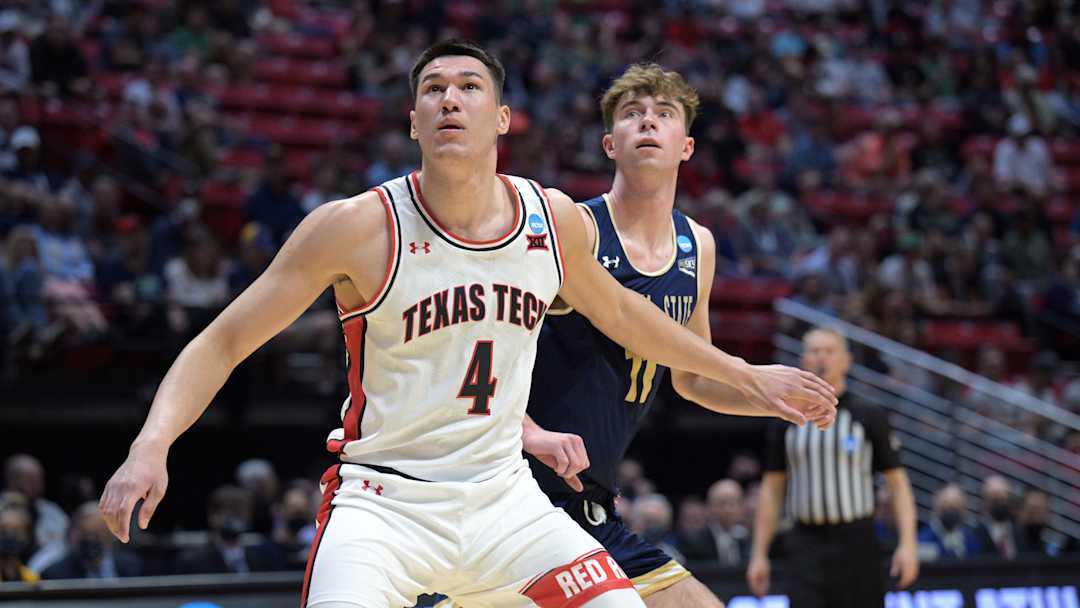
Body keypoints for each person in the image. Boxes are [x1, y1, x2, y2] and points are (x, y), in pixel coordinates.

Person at [99, 40, 836, 608]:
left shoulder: (550, 220)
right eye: (433, 89)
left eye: (469, 87)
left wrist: (745, 375)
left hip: (507, 500)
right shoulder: (356, 227)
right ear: (413, 118)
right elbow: (222, 339)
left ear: (503, 118)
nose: (450, 99)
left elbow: (628, 316)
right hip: (384, 501)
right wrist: (150, 445)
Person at [509, 64, 833, 608]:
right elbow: (492, 350)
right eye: (632, 115)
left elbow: (690, 378)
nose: (648, 123)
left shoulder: (697, 245)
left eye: (664, 115)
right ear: (610, 144)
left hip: (590, 503)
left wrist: (773, 401)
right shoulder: (577, 230)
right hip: (523, 486)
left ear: (686, 146)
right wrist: (527, 429)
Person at [748, 327, 920, 608]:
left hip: (857, 540)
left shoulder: (869, 415)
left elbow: (898, 484)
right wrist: (759, 554)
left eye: (829, 351)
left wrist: (908, 544)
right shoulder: (786, 417)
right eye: (815, 351)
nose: (821, 358)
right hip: (805, 542)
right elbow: (772, 490)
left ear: (846, 360)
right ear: (804, 360)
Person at [41, 502, 143, 579]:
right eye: (86, 535)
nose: (91, 541)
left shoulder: (134, 567)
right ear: (74, 537)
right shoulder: (55, 575)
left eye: (97, 535)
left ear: (111, 537)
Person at [917, 484, 983, 561]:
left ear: (965, 510)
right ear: (936, 507)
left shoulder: (970, 539)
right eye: (946, 506)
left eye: (957, 506)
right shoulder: (923, 540)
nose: (951, 511)